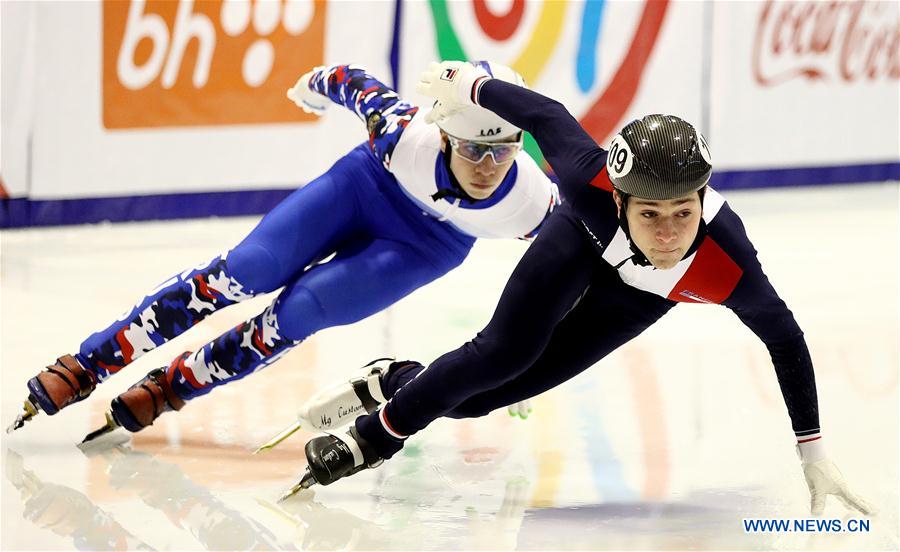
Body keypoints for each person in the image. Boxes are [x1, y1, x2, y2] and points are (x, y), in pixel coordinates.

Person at [289, 61, 872, 517]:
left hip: (640, 297)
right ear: (618, 199)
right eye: (650, 214)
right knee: (501, 354)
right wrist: (470, 85)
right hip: (581, 243)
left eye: (682, 213)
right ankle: (370, 440)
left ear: (702, 200)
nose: (668, 233)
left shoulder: (728, 265)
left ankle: (392, 380)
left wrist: (813, 453)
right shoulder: (588, 182)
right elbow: (544, 114)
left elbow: (785, 339)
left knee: (476, 400)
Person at [7, 62, 558, 438]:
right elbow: (348, 80)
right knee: (247, 269)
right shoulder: (403, 132)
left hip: (426, 245)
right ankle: (91, 362)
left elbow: (570, 269)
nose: (487, 168)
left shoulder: (532, 204)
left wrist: (519, 360)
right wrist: (311, 87)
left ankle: (176, 385)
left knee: (301, 310)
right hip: (364, 188)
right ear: (443, 135)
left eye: (502, 151)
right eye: (472, 149)